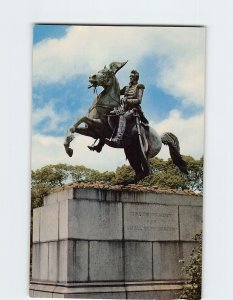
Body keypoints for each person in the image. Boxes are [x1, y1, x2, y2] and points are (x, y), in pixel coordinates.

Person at [107, 69, 148, 146]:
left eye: (132, 76)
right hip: (124, 109)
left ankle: (118, 139)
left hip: (134, 110)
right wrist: (110, 81)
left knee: (123, 117)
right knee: (110, 114)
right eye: (130, 76)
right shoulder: (126, 87)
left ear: (136, 78)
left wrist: (127, 100)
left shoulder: (139, 87)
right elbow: (116, 92)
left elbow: (139, 100)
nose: (130, 78)